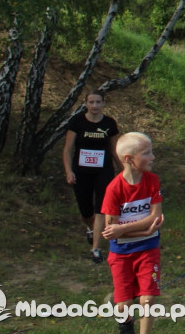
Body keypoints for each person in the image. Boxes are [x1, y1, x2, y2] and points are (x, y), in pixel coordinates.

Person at [102, 131, 165, 334]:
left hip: (148, 248)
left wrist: (124, 228)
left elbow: (155, 217)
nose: (153, 157)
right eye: (146, 153)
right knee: (125, 303)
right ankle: (126, 326)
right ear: (129, 159)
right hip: (121, 253)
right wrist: (142, 230)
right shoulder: (113, 189)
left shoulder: (152, 181)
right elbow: (112, 231)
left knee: (149, 298)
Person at [62, 90, 121, 263]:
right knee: (86, 210)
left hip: (103, 170)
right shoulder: (77, 121)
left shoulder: (109, 123)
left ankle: (96, 249)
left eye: (98, 102)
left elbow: (114, 150)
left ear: (103, 104)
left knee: (101, 208)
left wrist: (124, 171)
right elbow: (68, 149)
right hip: (81, 171)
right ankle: (91, 228)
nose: (95, 105)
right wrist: (69, 171)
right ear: (86, 104)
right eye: (91, 102)